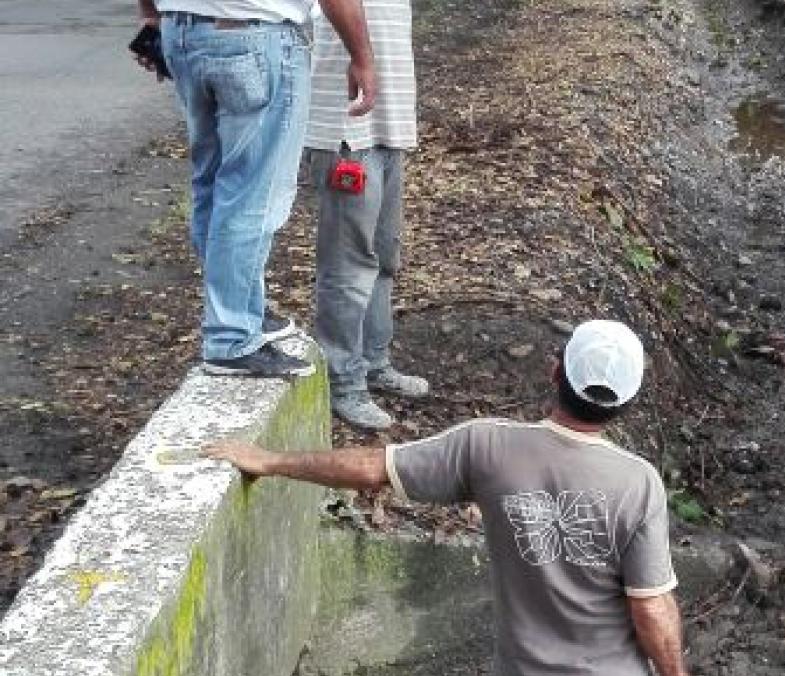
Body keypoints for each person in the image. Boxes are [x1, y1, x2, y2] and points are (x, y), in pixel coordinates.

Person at [204, 320, 689, 676]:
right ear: (628, 403)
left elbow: (372, 468)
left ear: (554, 373)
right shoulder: (637, 483)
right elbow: (651, 610)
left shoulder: (486, 446)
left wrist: (270, 461)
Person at [134, 0, 377, 377]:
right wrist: (362, 57)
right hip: (255, 36)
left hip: (181, 32)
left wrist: (152, 16)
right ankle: (231, 337)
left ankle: (241, 309)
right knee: (252, 190)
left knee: (212, 182)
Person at [304, 0, 427, 429]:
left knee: (383, 255)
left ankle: (375, 362)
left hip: (388, 124)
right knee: (348, 264)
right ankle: (343, 382)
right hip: (346, 130)